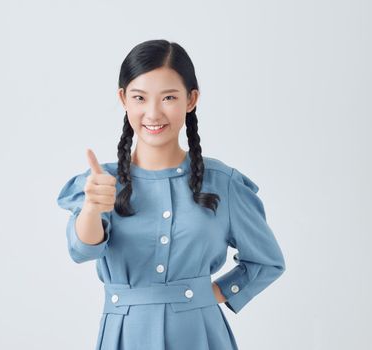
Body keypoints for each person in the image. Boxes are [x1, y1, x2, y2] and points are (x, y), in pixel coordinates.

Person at [56, 39, 286, 350]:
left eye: (168, 97)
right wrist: (93, 208)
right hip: (125, 335)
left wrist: (210, 294)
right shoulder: (102, 182)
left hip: (200, 335)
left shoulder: (223, 183)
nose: (152, 113)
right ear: (123, 99)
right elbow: (82, 251)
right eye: (139, 97)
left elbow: (266, 260)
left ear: (191, 100)